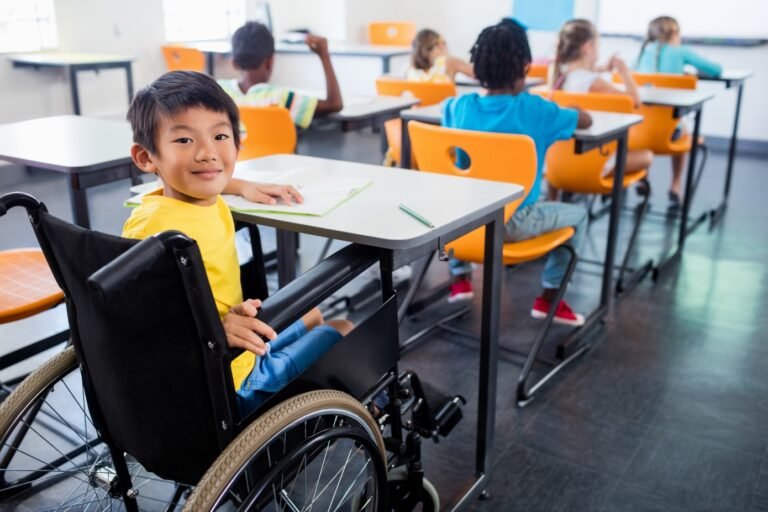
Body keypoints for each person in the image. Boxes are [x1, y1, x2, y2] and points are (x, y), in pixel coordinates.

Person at [123, 70, 352, 413]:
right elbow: (131, 321)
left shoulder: (186, 200)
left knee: (313, 313)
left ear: (236, 142)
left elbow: (210, 176)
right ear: (145, 158)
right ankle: (371, 412)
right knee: (343, 328)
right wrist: (209, 331)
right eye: (184, 140)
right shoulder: (153, 231)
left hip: (233, 345)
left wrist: (241, 185)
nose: (207, 153)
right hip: (229, 379)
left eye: (220, 136)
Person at [442, 21, 591, 326]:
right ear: (525, 66)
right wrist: (573, 106)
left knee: (461, 194)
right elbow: (584, 121)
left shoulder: (455, 107)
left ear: (477, 67)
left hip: (463, 224)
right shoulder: (537, 110)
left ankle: (461, 279)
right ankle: (550, 299)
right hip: (514, 222)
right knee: (579, 216)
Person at [551, 19, 653, 200]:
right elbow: (634, 101)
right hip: (593, 164)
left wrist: (602, 68)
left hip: (557, 167)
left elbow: (581, 74)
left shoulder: (558, 78)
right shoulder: (594, 82)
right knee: (647, 156)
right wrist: (624, 72)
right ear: (588, 47)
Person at [636, 15, 722, 208]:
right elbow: (716, 70)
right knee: (682, 128)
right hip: (669, 135)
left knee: (648, 125)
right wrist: (684, 76)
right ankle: (675, 185)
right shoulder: (680, 51)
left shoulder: (643, 52)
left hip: (637, 133)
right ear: (674, 33)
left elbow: (632, 74)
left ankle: (643, 178)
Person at [218, 21, 343, 130]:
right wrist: (324, 55)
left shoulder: (219, 93)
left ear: (234, 63)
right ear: (270, 62)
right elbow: (334, 104)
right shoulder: (281, 98)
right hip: (275, 158)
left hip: (239, 158)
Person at [406, 28, 474, 82]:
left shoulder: (410, 70)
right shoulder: (449, 62)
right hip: (445, 99)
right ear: (440, 44)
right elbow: (480, 72)